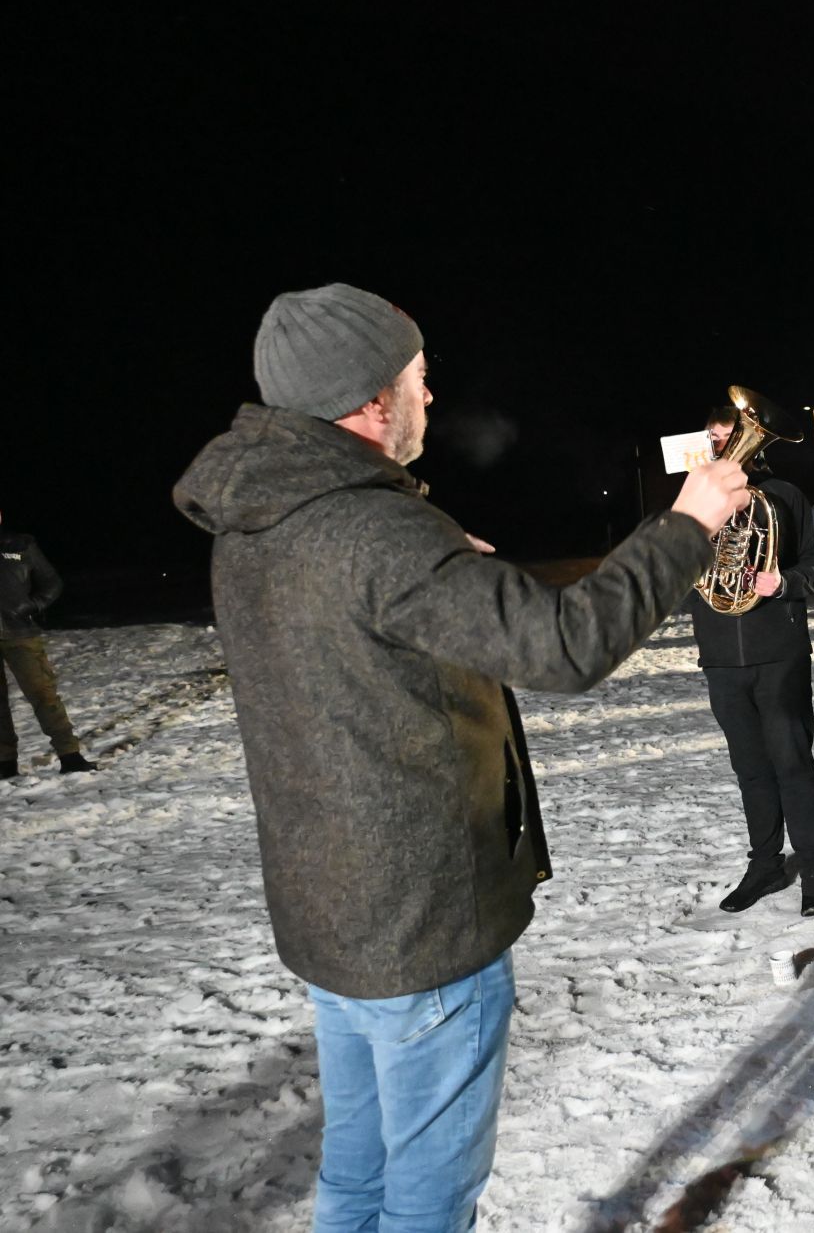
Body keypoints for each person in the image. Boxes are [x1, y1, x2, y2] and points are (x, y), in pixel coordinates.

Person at [173, 284, 749, 1230]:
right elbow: (565, 646)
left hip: (334, 918)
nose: (430, 398)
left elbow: (355, 649)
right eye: (418, 379)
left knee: (357, 1183)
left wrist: (450, 575)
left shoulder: (264, 522)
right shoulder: (375, 530)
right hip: (421, 927)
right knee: (427, 1205)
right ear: (367, 402)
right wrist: (689, 524)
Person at [687, 403, 814, 917]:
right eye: (713, 437)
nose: (720, 446)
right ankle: (765, 865)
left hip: (779, 652)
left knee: (793, 764)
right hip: (721, 656)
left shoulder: (783, 497)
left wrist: (784, 583)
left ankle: (813, 871)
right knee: (750, 768)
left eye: (730, 436)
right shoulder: (694, 501)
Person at [1, 510, 97, 778]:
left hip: (21, 633)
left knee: (43, 694)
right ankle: (5, 763)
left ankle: (70, 755)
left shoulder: (20, 545)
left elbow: (52, 582)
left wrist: (34, 605)